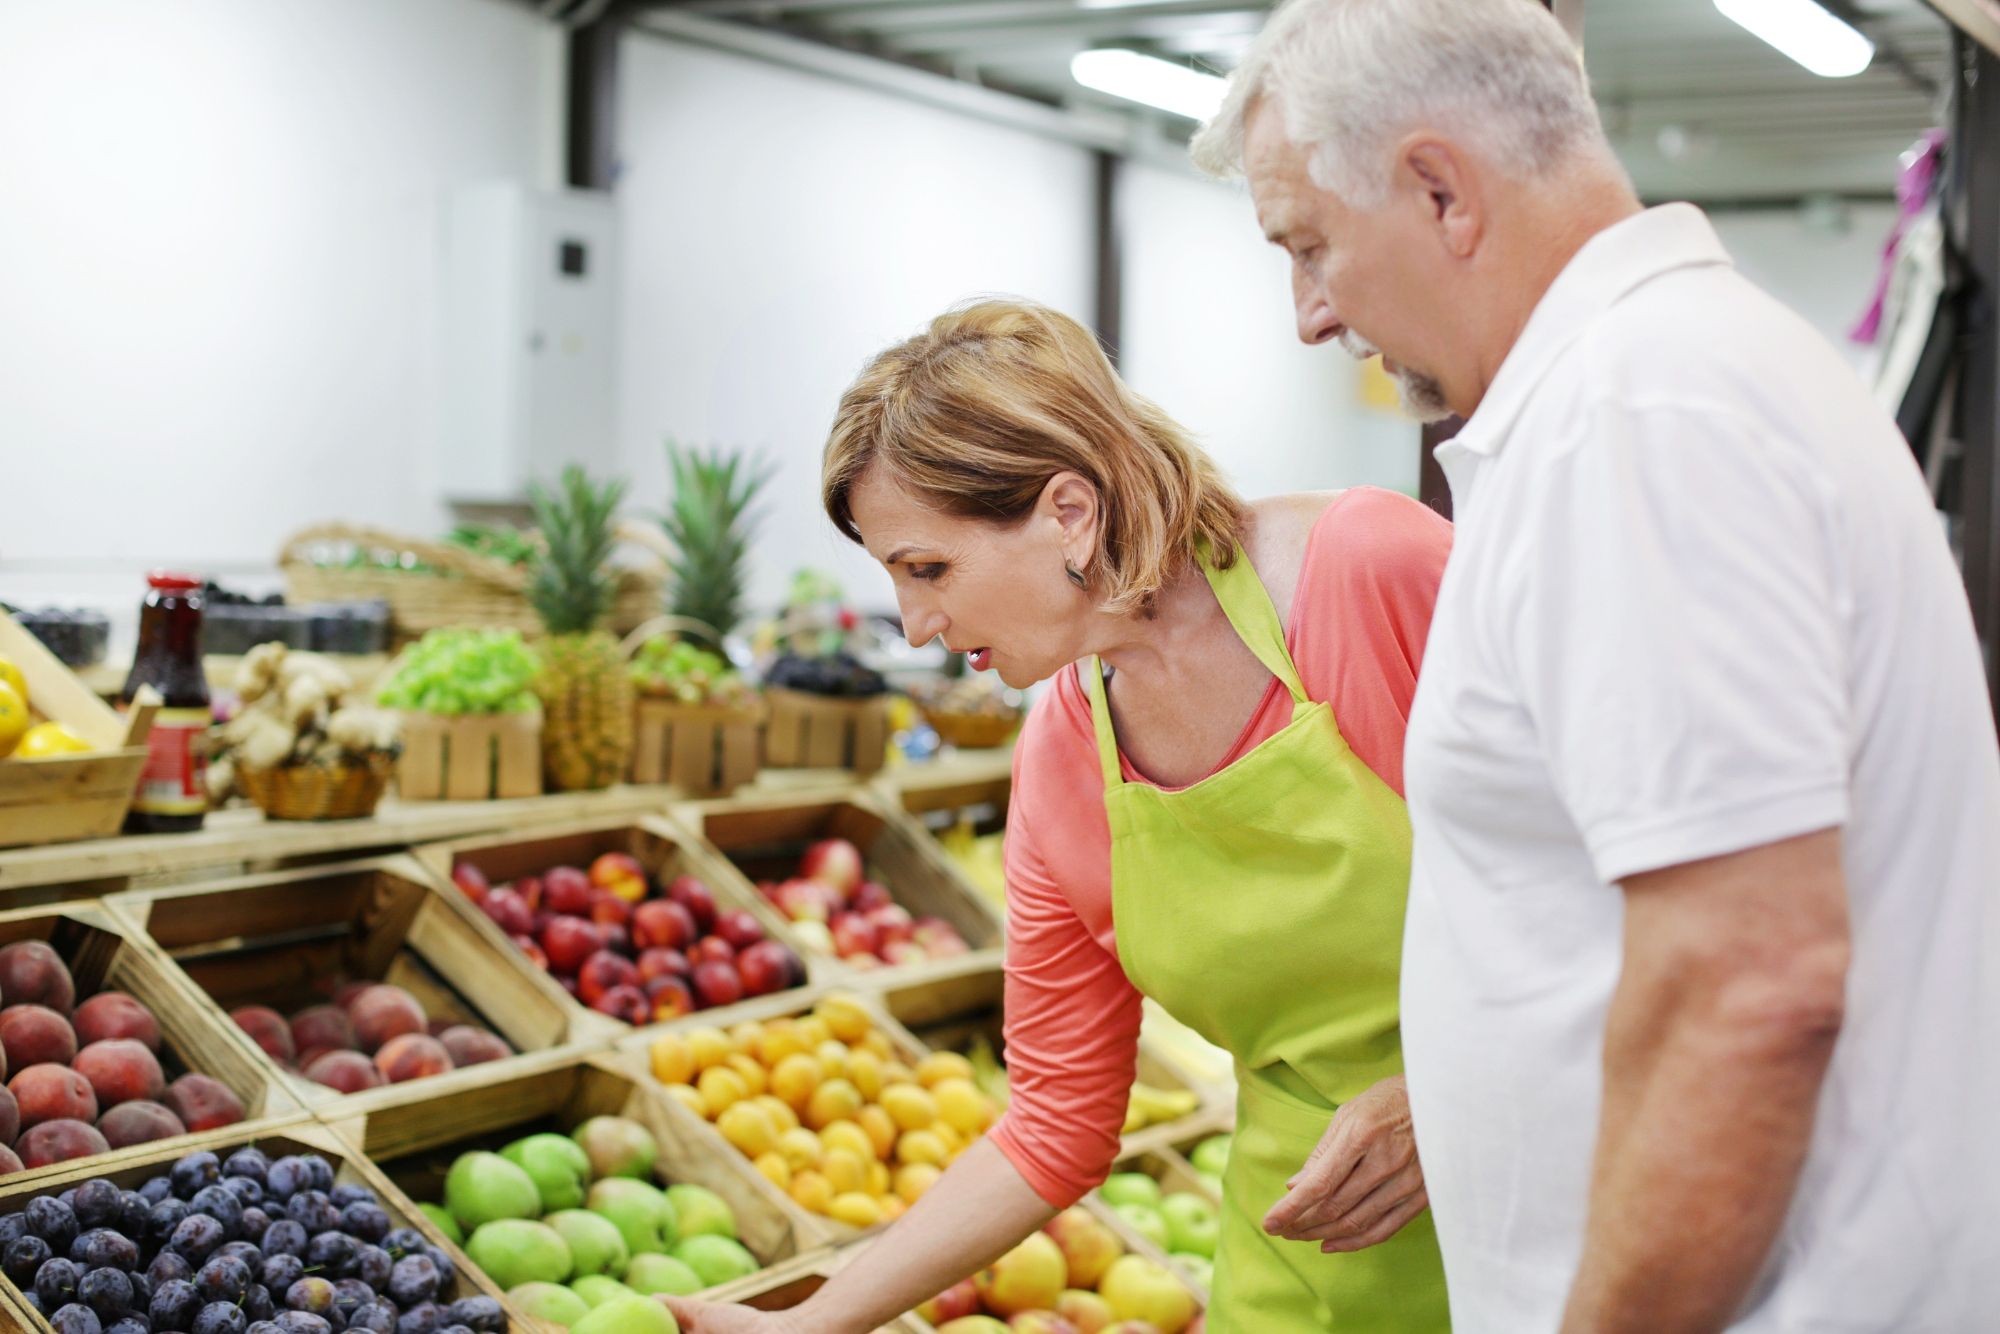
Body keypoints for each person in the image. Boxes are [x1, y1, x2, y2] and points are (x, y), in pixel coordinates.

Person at [1189, 0, 2000, 1330]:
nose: (1309, 314)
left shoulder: (1638, 416)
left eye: (1310, 247)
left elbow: (1749, 985)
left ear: (1441, 190)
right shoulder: (1655, 386)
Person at [667, 298, 1454, 1331]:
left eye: (928, 568)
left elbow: (1624, 886)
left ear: (1068, 513)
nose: (917, 624)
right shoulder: (1061, 759)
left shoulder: (1367, 573)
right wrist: (810, 1323)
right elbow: (1055, 1124)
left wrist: (1451, 1096)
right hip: (1300, 1275)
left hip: (1551, 1219)